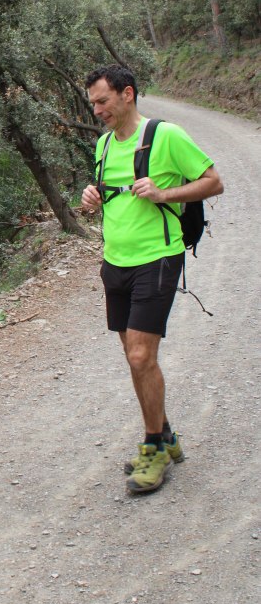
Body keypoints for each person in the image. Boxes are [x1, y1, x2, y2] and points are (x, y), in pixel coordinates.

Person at [81, 64, 224, 494]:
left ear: (127, 94)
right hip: (115, 261)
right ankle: (163, 433)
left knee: (142, 355)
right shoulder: (104, 144)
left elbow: (213, 182)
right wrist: (91, 197)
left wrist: (164, 193)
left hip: (157, 258)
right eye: (92, 104)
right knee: (134, 357)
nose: (97, 111)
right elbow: (112, 199)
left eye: (103, 101)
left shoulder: (166, 136)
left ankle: (153, 448)